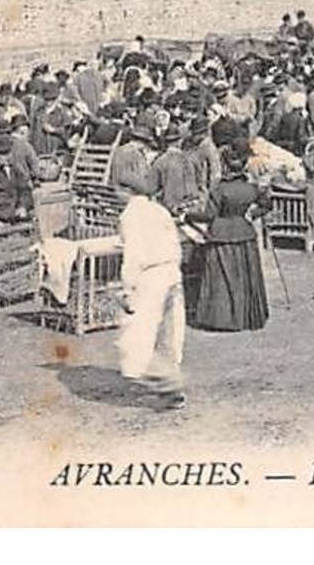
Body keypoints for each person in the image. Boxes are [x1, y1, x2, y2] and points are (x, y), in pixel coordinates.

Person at [115, 168, 186, 408]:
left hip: (150, 277)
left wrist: (128, 289)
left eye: (118, 189)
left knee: (140, 333)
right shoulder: (159, 210)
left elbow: (133, 255)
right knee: (168, 332)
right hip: (171, 272)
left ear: (127, 192)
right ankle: (170, 379)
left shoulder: (130, 216)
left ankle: (166, 383)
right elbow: (175, 244)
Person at [185, 142, 270, 332]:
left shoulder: (219, 189)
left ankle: (221, 319)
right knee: (244, 277)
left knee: (221, 279)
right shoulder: (252, 188)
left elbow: (209, 215)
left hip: (221, 234)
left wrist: (187, 216)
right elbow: (267, 205)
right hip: (244, 232)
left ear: (225, 165)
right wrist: (252, 215)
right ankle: (245, 317)